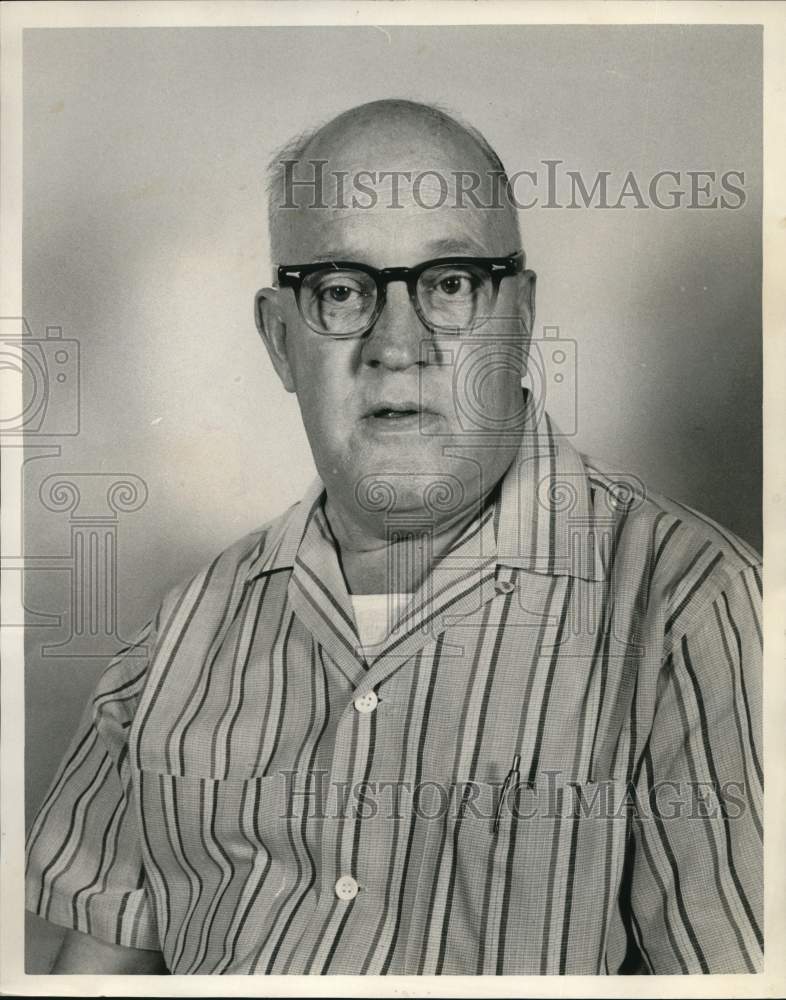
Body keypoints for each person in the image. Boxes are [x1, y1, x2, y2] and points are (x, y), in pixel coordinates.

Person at [25, 99, 762, 975]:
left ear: (521, 314)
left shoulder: (690, 614)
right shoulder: (173, 646)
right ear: (278, 338)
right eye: (341, 291)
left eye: (450, 283)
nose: (397, 345)